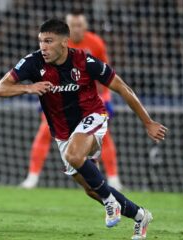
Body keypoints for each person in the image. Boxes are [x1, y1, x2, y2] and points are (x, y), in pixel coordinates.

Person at [0, 19, 167, 239]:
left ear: (64, 42)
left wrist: (148, 122)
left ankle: (110, 202)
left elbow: (122, 88)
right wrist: (29, 87)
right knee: (91, 189)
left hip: (92, 116)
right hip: (62, 132)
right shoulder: (33, 62)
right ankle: (141, 215)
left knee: (74, 156)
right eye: (40, 41)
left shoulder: (85, 61)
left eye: (49, 41)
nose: (43, 47)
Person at [20, 10, 123, 190]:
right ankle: (32, 177)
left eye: (79, 25)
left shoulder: (95, 43)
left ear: (85, 26)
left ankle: (113, 179)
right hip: (58, 96)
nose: (76, 29)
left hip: (89, 99)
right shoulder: (52, 45)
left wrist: (104, 97)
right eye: (73, 25)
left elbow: (105, 74)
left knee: (104, 136)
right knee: (45, 131)